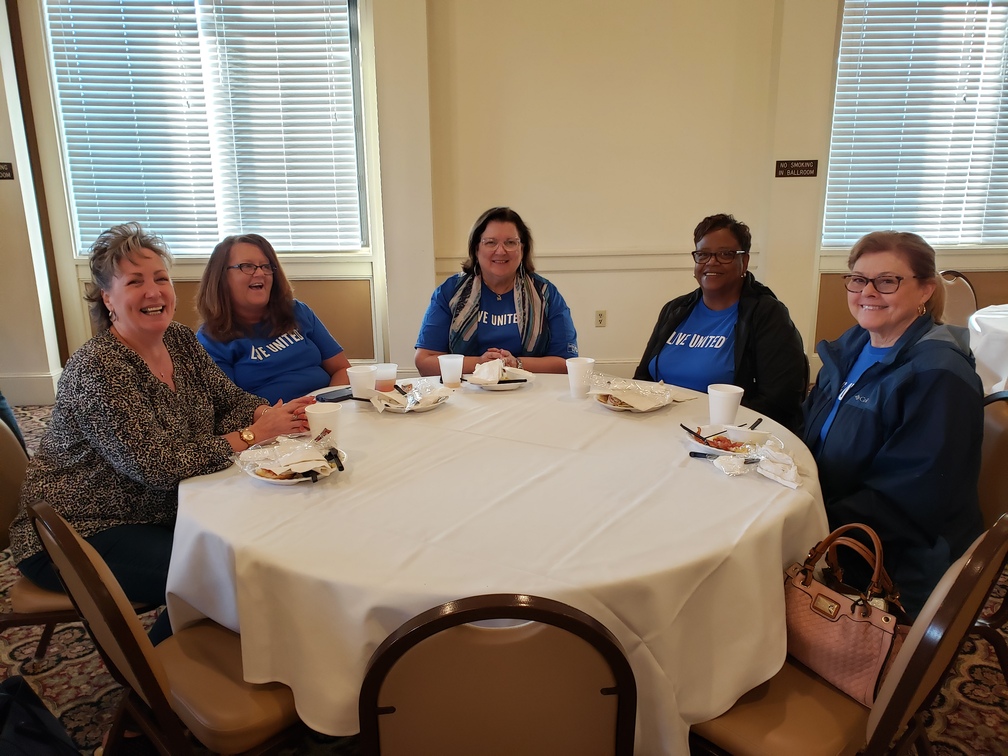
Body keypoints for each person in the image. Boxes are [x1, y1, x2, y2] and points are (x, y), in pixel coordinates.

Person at [8, 223, 311, 644]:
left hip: (159, 509)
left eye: (160, 278)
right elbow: (157, 466)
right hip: (79, 530)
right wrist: (251, 436)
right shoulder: (99, 368)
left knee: (265, 540)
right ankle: (157, 688)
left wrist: (273, 414)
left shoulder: (180, 340)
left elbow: (228, 399)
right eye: (135, 282)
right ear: (107, 299)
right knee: (225, 573)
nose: (154, 292)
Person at [802, 231, 984, 618]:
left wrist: (807, 523)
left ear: (924, 291)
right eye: (858, 279)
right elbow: (810, 428)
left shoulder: (939, 375)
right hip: (830, 523)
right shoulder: (853, 347)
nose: (867, 291)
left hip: (888, 565)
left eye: (887, 281)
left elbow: (907, 501)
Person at [633, 214, 807, 431]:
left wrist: (702, 423)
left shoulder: (768, 315)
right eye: (703, 254)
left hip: (724, 438)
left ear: (744, 262)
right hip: (659, 427)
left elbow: (780, 402)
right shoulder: (675, 309)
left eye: (725, 254)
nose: (711, 262)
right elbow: (642, 378)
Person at [415, 207, 578, 375]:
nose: (501, 251)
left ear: (523, 249)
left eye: (510, 242)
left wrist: (517, 364)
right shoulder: (450, 292)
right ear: (476, 248)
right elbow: (425, 361)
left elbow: (567, 363)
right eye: (490, 242)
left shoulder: (546, 293)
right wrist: (480, 364)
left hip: (531, 392)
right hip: (466, 393)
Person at [196, 234, 351, 402]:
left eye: (266, 266)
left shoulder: (297, 311)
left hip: (326, 410)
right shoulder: (210, 340)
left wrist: (326, 406)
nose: (260, 273)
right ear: (221, 277)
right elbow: (229, 409)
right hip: (274, 422)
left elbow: (341, 369)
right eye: (247, 266)